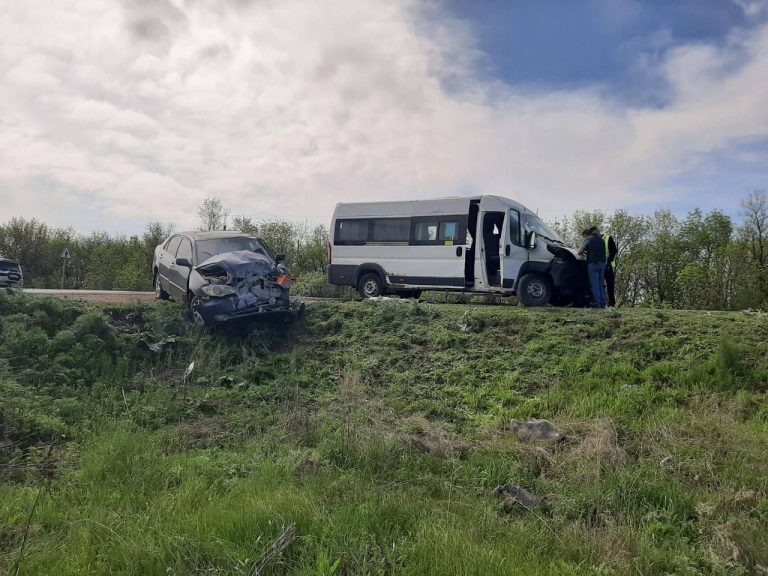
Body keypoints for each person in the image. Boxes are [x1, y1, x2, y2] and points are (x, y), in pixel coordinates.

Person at [577, 227, 607, 308]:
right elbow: (596, 251)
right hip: (602, 263)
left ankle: (597, 304)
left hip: (593, 263)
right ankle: (603, 304)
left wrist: (579, 250)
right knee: (601, 284)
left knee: (594, 284)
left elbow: (579, 252)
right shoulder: (601, 240)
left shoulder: (588, 239)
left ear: (587, 234)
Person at [603, 232, 618, 307]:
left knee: (610, 285)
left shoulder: (607, 238)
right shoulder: (597, 240)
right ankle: (604, 302)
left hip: (608, 265)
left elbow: (614, 250)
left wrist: (608, 260)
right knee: (601, 285)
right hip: (601, 265)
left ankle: (611, 303)